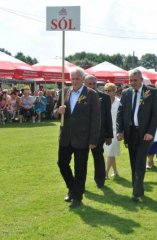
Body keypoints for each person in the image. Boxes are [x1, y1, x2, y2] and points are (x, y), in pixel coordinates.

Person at [56, 67, 101, 208]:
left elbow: (96, 119)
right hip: (66, 137)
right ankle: (72, 188)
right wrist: (59, 110)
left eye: (77, 79)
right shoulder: (64, 92)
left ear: (83, 79)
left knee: (80, 168)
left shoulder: (91, 94)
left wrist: (93, 140)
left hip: (83, 138)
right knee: (62, 163)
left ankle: (77, 197)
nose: (74, 81)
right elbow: (54, 110)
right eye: (72, 78)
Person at [116, 69, 157, 202]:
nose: (132, 83)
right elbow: (120, 112)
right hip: (130, 133)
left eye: (135, 80)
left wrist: (150, 132)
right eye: (130, 80)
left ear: (141, 79)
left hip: (145, 133)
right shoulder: (126, 93)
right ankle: (138, 187)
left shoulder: (150, 92)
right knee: (133, 162)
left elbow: (155, 114)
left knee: (140, 161)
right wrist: (119, 130)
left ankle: (136, 192)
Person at [84, 74, 113, 188]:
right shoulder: (80, 96)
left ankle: (100, 180)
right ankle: (81, 182)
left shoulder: (104, 98)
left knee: (98, 157)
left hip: (98, 134)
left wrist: (109, 135)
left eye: (94, 84)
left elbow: (108, 117)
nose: (92, 86)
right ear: (85, 84)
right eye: (89, 84)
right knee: (82, 159)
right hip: (82, 134)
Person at [103, 83, 121, 178]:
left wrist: (122, 131)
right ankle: (115, 171)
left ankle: (105, 173)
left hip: (116, 131)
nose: (107, 92)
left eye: (109, 90)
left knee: (110, 152)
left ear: (114, 91)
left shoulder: (119, 102)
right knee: (111, 152)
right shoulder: (102, 102)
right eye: (105, 90)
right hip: (105, 130)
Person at [146, 80, 157, 169]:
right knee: (149, 143)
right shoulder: (148, 98)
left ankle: (151, 161)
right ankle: (150, 161)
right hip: (150, 124)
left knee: (156, 143)